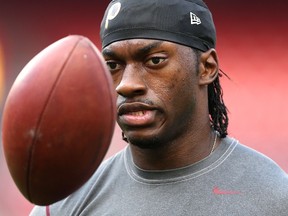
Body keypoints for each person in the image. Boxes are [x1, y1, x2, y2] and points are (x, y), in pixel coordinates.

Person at [30, 0, 288, 215]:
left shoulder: (273, 197)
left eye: (155, 60)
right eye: (113, 65)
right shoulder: (66, 202)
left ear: (206, 68)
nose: (127, 85)